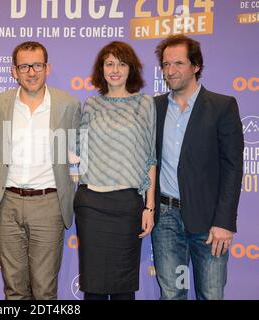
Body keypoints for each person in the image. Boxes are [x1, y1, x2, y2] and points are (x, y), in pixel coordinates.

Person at [151, 35, 244, 300]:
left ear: (196, 66)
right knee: (172, 294)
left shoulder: (222, 106)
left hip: (209, 222)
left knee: (211, 294)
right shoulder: (154, 107)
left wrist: (225, 222)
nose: (171, 70)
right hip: (166, 219)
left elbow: (233, 167)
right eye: (166, 64)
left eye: (178, 63)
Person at [0, 41, 81, 299]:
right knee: (14, 289)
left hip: (48, 204)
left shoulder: (68, 104)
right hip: (7, 203)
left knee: (44, 290)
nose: (31, 72)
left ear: (47, 67)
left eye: (37, 65)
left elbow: (77, 153)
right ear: (14, 71)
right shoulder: (0, 103)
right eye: (24, 66)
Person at [74, 41, 156, 300]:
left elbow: (150, 158)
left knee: (123, 289)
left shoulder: (144, 104)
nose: (115, 70)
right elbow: (76, 149)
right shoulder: (91, 105)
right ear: (101, 69)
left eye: (122, 64)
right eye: (109, 63)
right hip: (91, 204)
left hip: (126, 205)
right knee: (94, 289)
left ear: (131, 69)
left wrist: (149, 207)